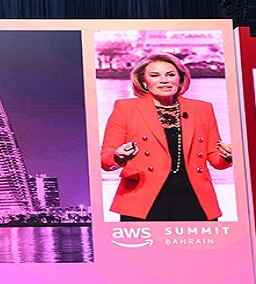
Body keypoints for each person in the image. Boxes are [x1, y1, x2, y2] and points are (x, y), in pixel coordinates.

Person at [100, 52, 235, 221]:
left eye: (171, 75)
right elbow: (106, 162)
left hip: (194, 199)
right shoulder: (125, 108)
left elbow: (216, 160)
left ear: (180, 79)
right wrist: (118, 155)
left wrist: (228, 156)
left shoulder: (202, 109)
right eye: (155, 75)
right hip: (142, 200)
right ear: (143, 81)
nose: (164, 80)